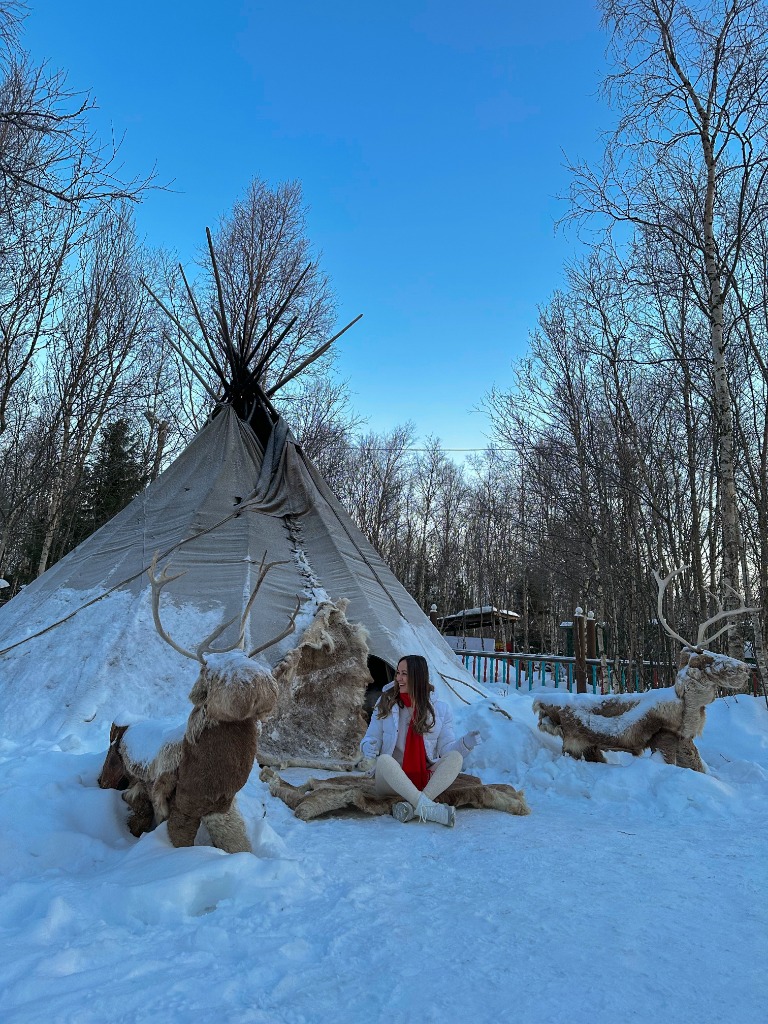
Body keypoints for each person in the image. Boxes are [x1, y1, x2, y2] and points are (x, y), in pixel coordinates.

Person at [359, 654, 481, 827]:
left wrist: (466, 744)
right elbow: (371, 737)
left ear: (418, 676)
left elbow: (446, 750)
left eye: (404, 674)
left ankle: (416, 806)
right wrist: (368, 746)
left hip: (424, 777)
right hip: (391, 779)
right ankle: (428, 808)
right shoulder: (386, 702)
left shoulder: (440, 710)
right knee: (385, 760)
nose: (398, 678)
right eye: (398, 673)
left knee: (456, 758)